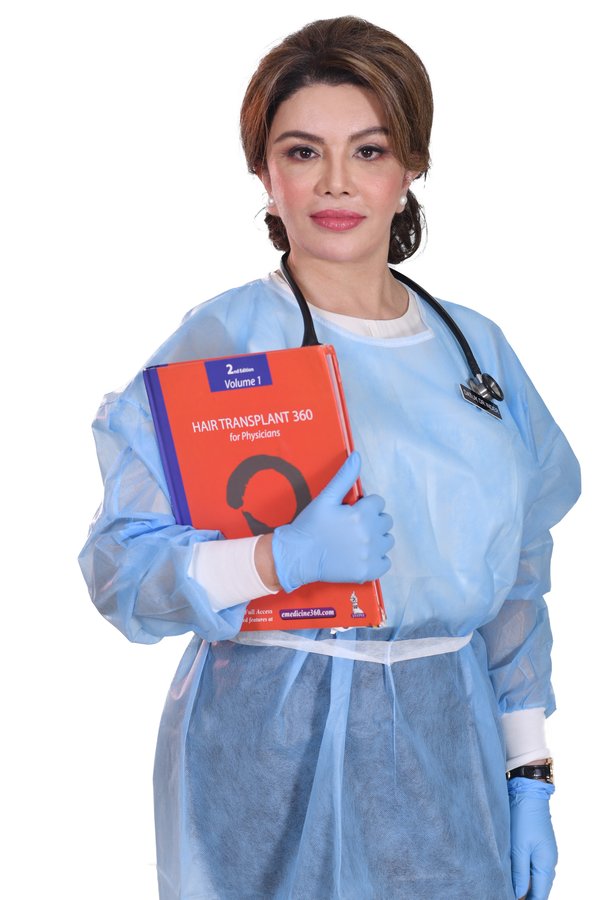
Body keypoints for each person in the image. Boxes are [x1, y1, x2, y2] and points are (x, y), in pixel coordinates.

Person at [79, 16, 580, 900]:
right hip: (264, 759)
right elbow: (123, 570)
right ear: (265, 175)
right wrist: (277, 560)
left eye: (369, 150)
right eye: (303, 152)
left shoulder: (476, 353)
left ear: (410, 169)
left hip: (448, 759)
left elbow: (518, 577)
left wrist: (528, 769)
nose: (337, 182)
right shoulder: (225, 342)